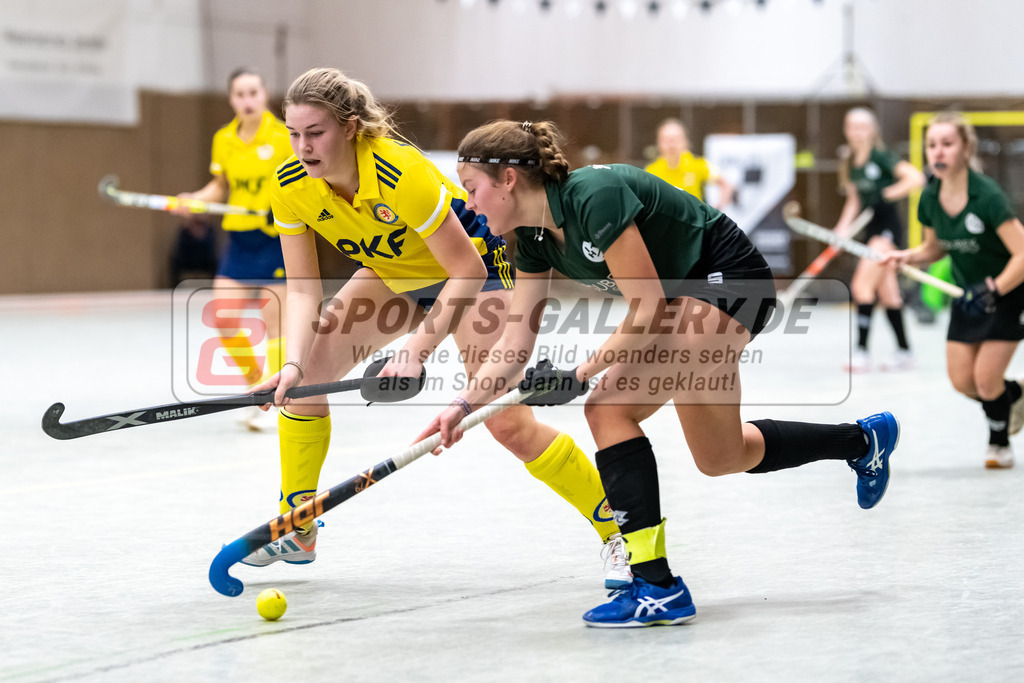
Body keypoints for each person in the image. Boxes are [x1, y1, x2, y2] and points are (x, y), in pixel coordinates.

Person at [417, 119, 901, 628]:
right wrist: (463, 407)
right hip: (681, 300)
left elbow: (646, 309)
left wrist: (581, 373)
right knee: (722, 456)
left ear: (508, 180)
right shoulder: (533, 240)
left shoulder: (592, 196)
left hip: (729, 281)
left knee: (606, 407)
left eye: (471, 189)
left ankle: (656, 585)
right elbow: (516, 342)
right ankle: (862, 442)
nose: (468, 204)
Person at [242, 68, 630, 588]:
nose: (303, 146)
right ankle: (298, 523)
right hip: (393, 275)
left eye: (316, 133)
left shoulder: (397, 171)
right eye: (294, 133)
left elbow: (465, 269)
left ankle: (616, 527)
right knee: (305, 377)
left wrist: (416, 350)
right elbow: (304, 289)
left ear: (350, 127)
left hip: (475, 272)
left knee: (506, 423)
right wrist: (288, 364)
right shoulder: (290, 183)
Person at [886, 112, 1024, 469]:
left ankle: (999, 446)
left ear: (965, 149)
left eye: (947, 144)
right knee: (963, 382)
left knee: (986, 379)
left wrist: (995, 288)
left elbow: (1022, 253)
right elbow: (935, 247)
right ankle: (1016, 396)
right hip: (966, 294)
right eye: (932, 145)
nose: (938, 152)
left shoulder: (988, 196)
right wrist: (908, 257)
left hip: (1007, 292)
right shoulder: (929, 198)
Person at [175, 67, 294, 431]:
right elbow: (219, 186)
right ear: (231, 99)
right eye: (240, 95)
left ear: (264, 94)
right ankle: (258, 389)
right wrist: (195, 200)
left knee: (274, 325)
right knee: (224, 318)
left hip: (276, 238)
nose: (247, 100)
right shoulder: (224, 139)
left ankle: (281, 402)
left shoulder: (283, 134)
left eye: (253, 93)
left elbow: (302, 178)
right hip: (240, 243)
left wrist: (283, 207)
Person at [833, 108, 927, 373]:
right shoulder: (850, 162)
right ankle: (905, 352)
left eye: (863, 126)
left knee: (862, 287)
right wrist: (841, 231)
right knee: (889, 293)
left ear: (872, 129)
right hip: (868, 231)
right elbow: (854, 201)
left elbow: (915, 178)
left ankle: (861, 352)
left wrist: (888, 193)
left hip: (886, 232)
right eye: (852, 126)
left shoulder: (881, 157)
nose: (857, 132)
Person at [644, 118, 734, 209]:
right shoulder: (650, 171)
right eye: (666, 139)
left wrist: (717, 210)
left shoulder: (699, 164)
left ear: (684, 141)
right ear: (659, 142)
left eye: (676, 139)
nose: (671, 144)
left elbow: (726, 185)